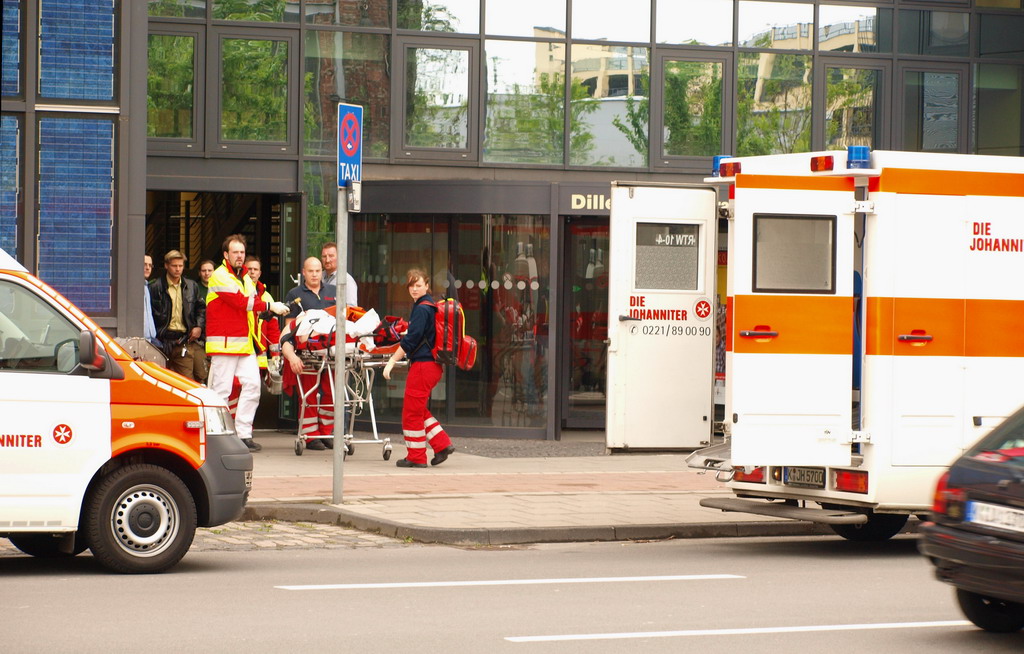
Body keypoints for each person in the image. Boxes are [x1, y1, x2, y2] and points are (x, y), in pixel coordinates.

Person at [206, 234, 289, 452]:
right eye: (235, 252)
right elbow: (242, 302)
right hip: (224, 345)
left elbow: (252, 308)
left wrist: (267, 313)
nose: (240, 256)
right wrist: (271, 307)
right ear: (226, 255)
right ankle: (217, 436)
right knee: (220, 392)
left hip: (243, 344)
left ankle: (243, 435)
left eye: (242, 252)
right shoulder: (219, 276)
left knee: (253, 387)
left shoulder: (244, 278)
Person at [383, 268, 455, 468]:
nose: (414, 289)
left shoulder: (422, 308)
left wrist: (391, 361)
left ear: (427, 285)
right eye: (411, 285)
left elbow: (411, 341)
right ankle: (442, 445)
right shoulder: (427, 305)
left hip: (424, 366)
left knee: (411, 413)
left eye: (418, 285)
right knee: (418, 409)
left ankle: (416, 456)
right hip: (431, 366)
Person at [282, 257, 336, 450]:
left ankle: (328, 433)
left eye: (318, 270)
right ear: (303, 272)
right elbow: (289, 327)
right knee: (309, 395)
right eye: (311, 271)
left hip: (330, 352)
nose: (315, 274)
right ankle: (311, 435)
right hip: (307, 353)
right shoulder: (294, 294)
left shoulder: (334, 292)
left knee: (331, 393)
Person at [224, 255, 282, 416]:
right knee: (234, 388)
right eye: (249, 269)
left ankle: (245, 428)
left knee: (251, 390)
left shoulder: (267, 297)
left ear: (260, 273)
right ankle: (233, 424)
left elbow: (273, 329)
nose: (252, 272)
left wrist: (275, 354)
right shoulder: (237, 291)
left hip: (258, 352)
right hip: (238, 348)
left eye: (255, 269)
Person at [150, 250, 207, 381]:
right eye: (174, 266)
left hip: (184, 339)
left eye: (180, 266)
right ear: (166, 266)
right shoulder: (156, 287)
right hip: (162, 340)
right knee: (162, 379)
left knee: (193, 378)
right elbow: (151, 314)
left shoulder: (191, 286)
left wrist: (198, 326)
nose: (178, 269)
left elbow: (201, 308)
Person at [320, 241, 358, 307]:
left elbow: (351, 308)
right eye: (324, 256)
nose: (327, 260)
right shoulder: (319, 277)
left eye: (331, 256)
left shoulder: (346, 280)